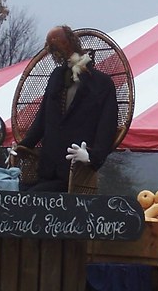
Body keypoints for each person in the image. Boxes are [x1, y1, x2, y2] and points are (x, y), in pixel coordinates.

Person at [18, 25, 118, 192]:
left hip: (75, 172)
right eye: (52, 47)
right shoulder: (57, 77)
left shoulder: (101, 83)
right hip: (47, 167)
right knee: (17, 192)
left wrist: (93, 157)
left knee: (33, 196)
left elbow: (107, 126)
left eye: (59, 44)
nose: (56, 50)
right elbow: (42, 118)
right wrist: (22, 147)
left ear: (71, 42)